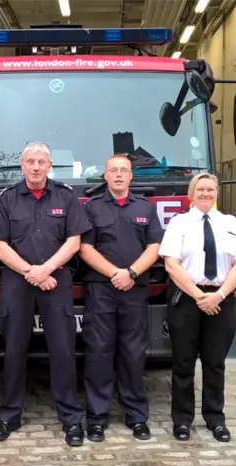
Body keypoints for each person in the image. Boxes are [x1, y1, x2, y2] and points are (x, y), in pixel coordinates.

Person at [0, 142, 91, 447]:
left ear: (49, 166)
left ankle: (71, 418)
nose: (35, 167)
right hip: (17, 283)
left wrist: (45, 270)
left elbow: (74, 241)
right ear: (22, 166)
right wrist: (31, 273)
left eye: (41, 162)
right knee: (14, 350)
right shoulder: (7, 199)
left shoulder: (65, 197)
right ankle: (9, 415)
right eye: (30, 161)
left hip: (55, 280)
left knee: (63, 350)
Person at [158, 172, 236, 443]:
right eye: (200, 189)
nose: (206, 194)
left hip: (221, 300)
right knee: (183, 363)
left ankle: (215, 419)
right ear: (191, 194)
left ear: (217, 194)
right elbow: (171, 264)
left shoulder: (230, 223)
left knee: (215, 364)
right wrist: (200, 296)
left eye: (211, 190)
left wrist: (219, 295)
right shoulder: (179, 223)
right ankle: (182, 421)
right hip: (188, 299)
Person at [78, 154, 163, 442]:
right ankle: (97, 418)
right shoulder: (91, 208)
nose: (117, 175)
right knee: (98, 354)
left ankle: (136, 416)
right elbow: (85, 249)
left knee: (133, 355)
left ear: (130, 176)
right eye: (112, 170)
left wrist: (132, 273)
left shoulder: (145, 208)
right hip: (101, 290)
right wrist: (116, 273)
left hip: (134, 290)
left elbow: (154, 247)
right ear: (105, 176)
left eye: (123, 170)